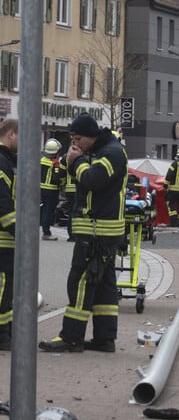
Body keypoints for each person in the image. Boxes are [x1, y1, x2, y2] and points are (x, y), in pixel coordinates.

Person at [39, 113, 127, 353]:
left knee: (80, 282)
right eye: (72, 139)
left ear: (90, 136)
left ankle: (71, 337)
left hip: (98, 232)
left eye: (77, 139)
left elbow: (92, 180)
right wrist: (74, 162)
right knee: (104, 285)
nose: (74, 144)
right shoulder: (99, 151)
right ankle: (104, 338)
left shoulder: (111, 153)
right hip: (100, 231)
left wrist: (76, 162)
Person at [0, 120, 17, 351]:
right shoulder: (2, 163)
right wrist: (20, 232)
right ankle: (2, 337)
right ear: (11, 134)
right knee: (3, 289)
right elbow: (3, 203)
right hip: (4, 239)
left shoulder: (6, 161)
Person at [40, 138, 63, 240]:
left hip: (42, 189)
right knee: (48, 212)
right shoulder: (55, 163)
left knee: (45, 210)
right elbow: (56, 178)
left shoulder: (42, 160)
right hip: (52, 190)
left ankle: (45, 231)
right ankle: (47, 233)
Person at [60, 150, 77, 242]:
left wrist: (63, 184)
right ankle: (77, 235)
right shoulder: (84, 156)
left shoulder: (65, 158)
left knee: (71, 213)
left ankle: (71, 235)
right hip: (80, 189)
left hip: (69, 189)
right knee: (79, 213)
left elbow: (61, 174)